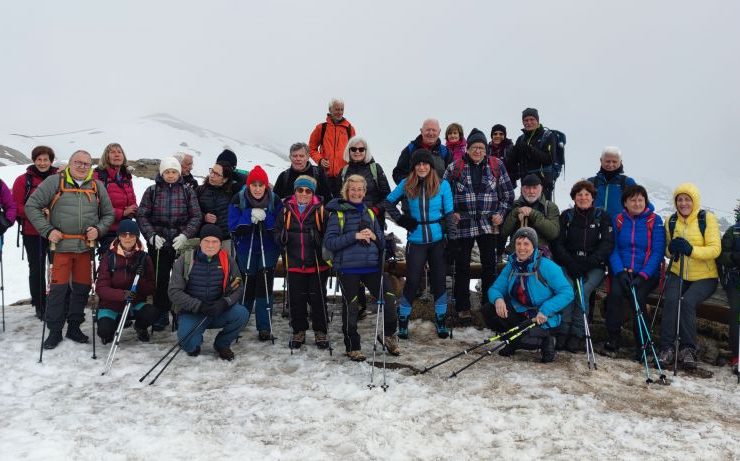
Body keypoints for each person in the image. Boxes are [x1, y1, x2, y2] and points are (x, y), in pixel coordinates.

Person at [25, 150, 115, 349]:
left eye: (86, 163)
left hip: (85, 247)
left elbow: (108, 214)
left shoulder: (97, 186)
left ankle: (74, 327)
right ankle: (55, 331)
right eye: (78, 163)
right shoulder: (54, 182)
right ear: (70, 163)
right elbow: (31, 206)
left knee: (82, 289)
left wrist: (99, 230)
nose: (82, 167)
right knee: (58, 290)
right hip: (61, 247)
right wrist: (48, 231)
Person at [324, 174, 400, 361]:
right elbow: (330, 242)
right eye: (353, 189)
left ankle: (389, 336)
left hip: (372, 267)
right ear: (346, 191)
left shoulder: (370, 212)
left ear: (365, 191)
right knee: (351, 307)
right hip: (348, 268)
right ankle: (353, 346)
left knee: (389, 298)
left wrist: (375, 237)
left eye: (360, 189)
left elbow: (382, 242)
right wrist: (355, 236)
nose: (356, 193)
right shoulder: (338, 213)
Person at [443, 128, 515, 321]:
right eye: (474, 147)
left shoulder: (496, 165)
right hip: (463, 223)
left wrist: (500, 214)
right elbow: (444, 195)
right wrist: (452, 213)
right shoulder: (454, 167)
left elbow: (508, 195)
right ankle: (463, 307)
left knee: (490, 266)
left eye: (481, 147)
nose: (477, 151)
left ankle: (488, 306)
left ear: (486, 149)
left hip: (488, 223)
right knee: (462, 266)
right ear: (467, 148)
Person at [382, 149, 455, 339]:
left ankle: (440, 320)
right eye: (418, 164)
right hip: (416, 240)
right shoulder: (407, 183)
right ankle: (403, 320)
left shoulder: (443, 185)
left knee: (439, 281)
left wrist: (453, 240)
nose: (422, 167)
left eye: (425, 164)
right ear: (414, 167)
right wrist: (403, 220)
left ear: (430, 166)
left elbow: (449, 215)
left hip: (438, 240)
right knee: (412, 281)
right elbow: (387, 203)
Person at [484, 227, 574, 363]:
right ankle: (513, 341)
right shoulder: (512, 266)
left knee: (524, 339)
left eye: (526, 244)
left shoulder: (546, 266)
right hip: (521, 312)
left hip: (542, 316)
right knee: (489, 310)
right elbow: (495, 289)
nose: (521, 248)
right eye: (518, 244)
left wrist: (546, 310)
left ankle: (547, 341)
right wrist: (498, 300)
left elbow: (567, 292)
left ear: (534, 246)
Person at [657, 183, 721, 369]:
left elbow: (715, 249)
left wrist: (691, 249)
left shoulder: (706, 219)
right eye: (680, 200)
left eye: (687, 199)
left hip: (705, 276)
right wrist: (672, 249)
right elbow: (668, 252)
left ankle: (688, 349)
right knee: (671, 300)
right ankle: (667, 348)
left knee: (686, 302)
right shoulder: (671, 220)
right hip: (678, 272)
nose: (683, 203)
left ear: (694, 201)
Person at [136, 156, 202, 331]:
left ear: (179, 173)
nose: (171, 175)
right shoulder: (152, 191)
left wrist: (185, 235)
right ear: (162, 173)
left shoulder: (187, 191)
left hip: (180, 243)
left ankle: (180, 312)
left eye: (174, 172)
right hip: (159, 243)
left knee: (182, 278)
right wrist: (151, 236)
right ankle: (161, 312)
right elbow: (142, 215)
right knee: (161, 279)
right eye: (167, 172)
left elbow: (196, 216)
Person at [168, 224, 248, 360]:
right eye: (206, 241)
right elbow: (174, 292)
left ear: (220, 244)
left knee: (241, 314)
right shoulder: (185, 260)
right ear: (200, 242)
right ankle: (194, 341)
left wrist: (224, 302)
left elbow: (238, 286)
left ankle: (222, 344)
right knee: (189, 345)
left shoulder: (228, 260)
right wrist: (199, 306)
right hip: (193, 312)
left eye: (215, 242)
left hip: (218, 310)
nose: (210, 245)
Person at [551, 180, 614, 352]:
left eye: (587, 194)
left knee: (583, 291)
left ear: (593, 197)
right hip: (568, 263)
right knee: (567, 290)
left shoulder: (602, 217)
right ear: (574, 197)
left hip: (594, 266)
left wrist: (589, 263)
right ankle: (563, 329)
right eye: (579, 194)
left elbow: (607, 244)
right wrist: (570, 262)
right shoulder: (566, 216)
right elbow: (558, 244)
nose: (583, 197)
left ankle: (577, 333)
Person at [604, 184, 665, 357]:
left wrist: (643, 275)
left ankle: (643, 344)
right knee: (615, 295)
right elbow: (613, 248)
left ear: (645, 201)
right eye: (633, 200)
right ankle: (613, 338)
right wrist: (620, 272)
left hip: (646, 273)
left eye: (640, 200)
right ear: (625, 202)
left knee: (637, 297)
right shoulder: (619, 220)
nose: (637, 203)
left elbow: (658, 252)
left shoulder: (655, 220)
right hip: (622, 270)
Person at [275, 175, 331, 349]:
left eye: (308, 190)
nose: (304, 193)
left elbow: (331, 235)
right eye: (300, 190)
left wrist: (319, 240)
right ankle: (298, 331)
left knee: (318, 299)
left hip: (317, 263)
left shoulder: (321, 211)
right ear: (295, 191)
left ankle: (320, 331)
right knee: (296, 300)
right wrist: (281, 238)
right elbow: (276, 231)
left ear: (312, 192)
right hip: (294, 263)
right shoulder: (285, 210)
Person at [228, 166, 282, 341]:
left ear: (266, 185)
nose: (258, 188)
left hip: (268, 250)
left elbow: (279, 229)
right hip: (246, 250)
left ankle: (264, 327)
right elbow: (233, 227)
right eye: (254, 184)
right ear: (249, 185)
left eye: (261, 185)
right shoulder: (239, 199)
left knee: (264, 287)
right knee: (247, 287)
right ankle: (239, 322)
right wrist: (248, 216)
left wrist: (267, 219)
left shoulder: (274, 200)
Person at [12, 146, 59, 319]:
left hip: (57, 231)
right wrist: (37, 212)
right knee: (37, 268)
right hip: (33, 232)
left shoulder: (59, 178)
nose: (42, 163)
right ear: (33, 160)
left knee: (58, 269)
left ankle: (57, 302)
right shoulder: (22, 181)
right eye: (39, 159)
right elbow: (16, 206)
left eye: (45, 159)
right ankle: (40, 304)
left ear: (51, 161)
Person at [95, 219, 157, 344]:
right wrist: (122, 295)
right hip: (111, 305)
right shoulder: (109, 257)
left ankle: (140, 327)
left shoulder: (144, 258)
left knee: (152, 312)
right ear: (119, 237)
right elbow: (101, 289)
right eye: (124, 235)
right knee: (104, 331)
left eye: (132, 235)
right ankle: (114, 324)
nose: (127, 238)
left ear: (137, 237)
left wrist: (140, 279)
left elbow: (151, 287)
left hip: (135, 303)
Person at [501, 173, 560, 257]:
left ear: (541, 188)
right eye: (527, 188)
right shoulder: (513, 206)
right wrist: (515, 213)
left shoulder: (550, 207)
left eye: (535, 188)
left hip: (541, 255)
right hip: (516, 254)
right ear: (522, 189)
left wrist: (533, 214)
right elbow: (504, 232)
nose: (531, 191)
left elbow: (553, 233)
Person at [94, 143, 138, 254]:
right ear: (106, 156)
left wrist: (134, 209)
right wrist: (123, 212)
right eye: (112, 152)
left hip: (126, 229)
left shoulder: (126, 176)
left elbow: (132, 200)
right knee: (110, 265)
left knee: (128, 266)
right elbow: (95, 205)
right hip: (108, 230)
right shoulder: (98, 176)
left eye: (119, 152)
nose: (117, 154)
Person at [308, 98, 356, 196]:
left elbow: (355, 152)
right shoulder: (321, 128)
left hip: (343, 177)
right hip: (324, 176)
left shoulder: (349, 129)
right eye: (337, 109)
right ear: (330, 110)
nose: (340, 112)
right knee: (324, 204)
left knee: (342, 205)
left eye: (342, 109)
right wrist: (320, 160)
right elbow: (311, 148)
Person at [509, 108, 559, 200]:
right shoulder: (521, 139)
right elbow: (514, 161)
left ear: (537, 121)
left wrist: (530, 149)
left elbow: (549, 159)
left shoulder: (547, 136)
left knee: (543, 212)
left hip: (543, 184)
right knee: (525, 212)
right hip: (525, 183)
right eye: (526, 120)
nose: (529, 122)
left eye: (532, 119)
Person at [392, 118, 450, 184]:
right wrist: (411, 187)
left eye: (434, 130)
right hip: (413, 193)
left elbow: (450, 177)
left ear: (439, 132)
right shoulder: (410, 149)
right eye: (428, 130)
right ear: (421, 131)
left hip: (439, 192)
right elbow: (398, 174)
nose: (431, 133)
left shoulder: (445, 152)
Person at [718, 202, 740, 374]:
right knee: (736, 312)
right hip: (734, 279)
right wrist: (733, 257)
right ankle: (737, 354)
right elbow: (720, 255)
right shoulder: (733, 231)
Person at [197, 161, 235, 253]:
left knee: (225, 266)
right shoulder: (199, 190)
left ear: (225, 179)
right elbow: (190, 211)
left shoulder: (231, 193)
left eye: (217, 174)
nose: (212, 175)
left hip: (224, 239)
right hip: (203, 239)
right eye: (212, 171)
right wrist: (204, 217)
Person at [587, 146, 637, 217]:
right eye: (608, 161)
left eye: (614, 161)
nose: (611, 165)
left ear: (620, 162)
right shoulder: (591, 182)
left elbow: (643, 205)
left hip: (619, 226)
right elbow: (580, 204)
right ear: (601, 160)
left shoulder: (627, 182)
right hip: (595, 226)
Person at [488, 124, 517, 189]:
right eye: (495, 134)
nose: (498, 136)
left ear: (505, 136)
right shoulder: (487, 149)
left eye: (501, 134)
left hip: (508, 183)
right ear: (492, 136)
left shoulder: (511, 148)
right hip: (491, 184)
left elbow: (515, 167)